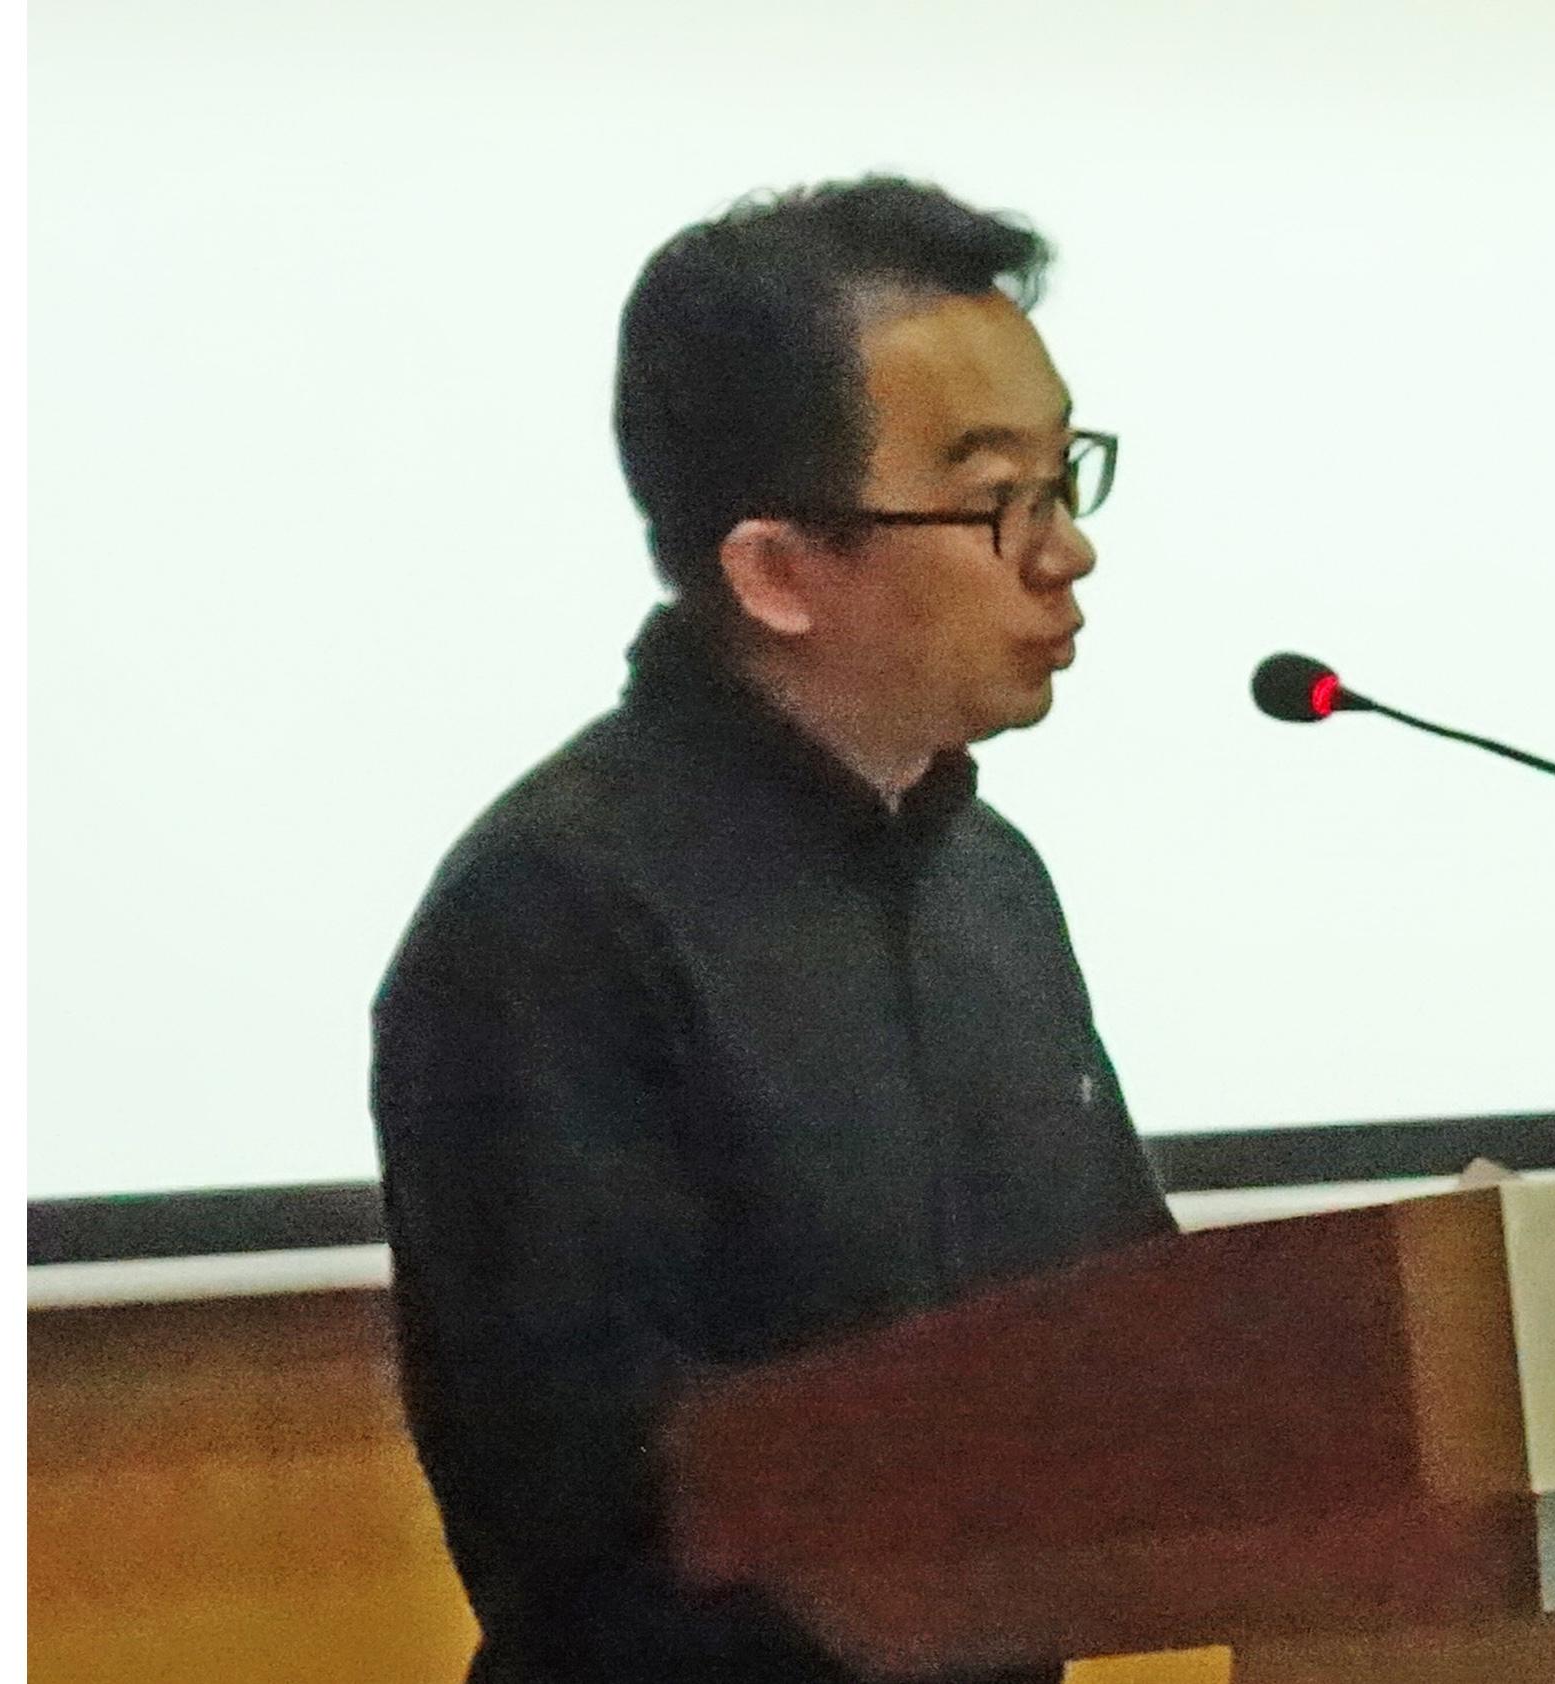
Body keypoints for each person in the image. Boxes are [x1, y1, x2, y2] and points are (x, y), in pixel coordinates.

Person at [366, 176, 1179, 1684]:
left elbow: (1131, 1332)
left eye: (1066, 480)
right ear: (777, 573)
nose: (1064, 552)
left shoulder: (990, 883)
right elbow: (586, 1507)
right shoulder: (553, 916)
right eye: (997, 498)